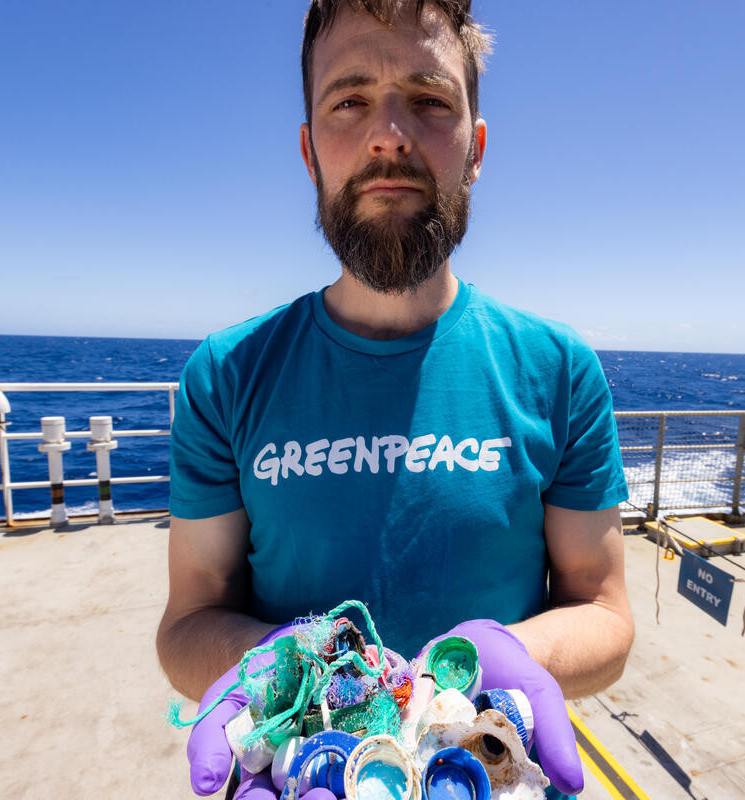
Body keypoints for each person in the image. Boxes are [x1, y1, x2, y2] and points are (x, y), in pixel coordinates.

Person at [156, 1, 634, 796]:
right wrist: (286, 665)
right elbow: (188, 622)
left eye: (430, 99)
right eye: (349, 100)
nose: (389, 135)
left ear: (476, 149)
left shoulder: (558, 370)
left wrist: (504, 658)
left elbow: (607, 615)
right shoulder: (226, 374)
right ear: (309, 152)